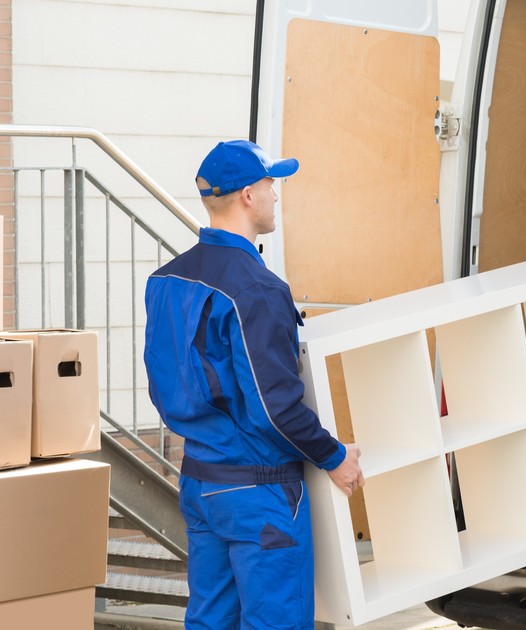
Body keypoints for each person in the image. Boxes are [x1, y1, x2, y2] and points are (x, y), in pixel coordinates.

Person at [143, 140, 364, 629]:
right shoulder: (256, 289)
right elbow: (274, 408)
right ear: (247, 195)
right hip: (259, 493)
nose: (275, 194)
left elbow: (162, 385)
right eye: (270, 184)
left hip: (201, 482)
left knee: (210, 621)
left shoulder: (165, 281)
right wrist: (333, 456)